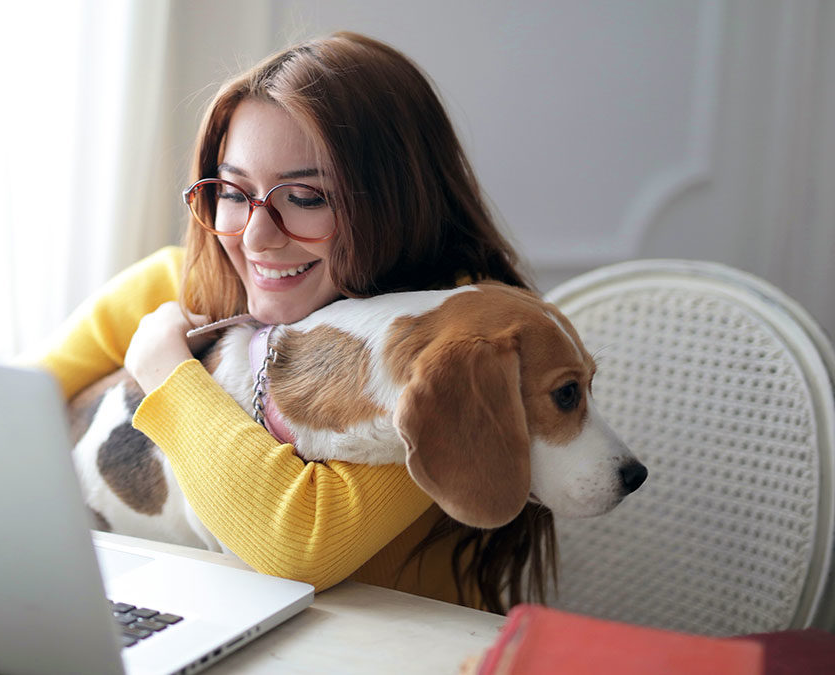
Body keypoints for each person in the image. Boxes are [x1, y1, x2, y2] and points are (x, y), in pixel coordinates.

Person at [31, 31, 552, 614]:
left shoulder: (446, 345)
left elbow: (300, 547)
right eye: (232, 191)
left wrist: (166, 372)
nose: (256, 237)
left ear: (399, 204)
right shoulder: (173, 287)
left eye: (305, 198)